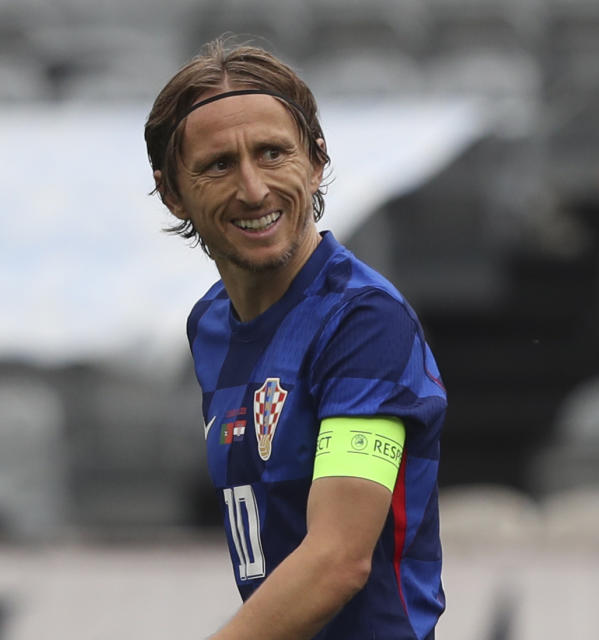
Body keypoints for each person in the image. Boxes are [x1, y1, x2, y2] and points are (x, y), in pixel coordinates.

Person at [144, 40, 446, 639]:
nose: (253, 190)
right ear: (173, 191)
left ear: (316, 162)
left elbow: (337, 562)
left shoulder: (364, 323)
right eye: (218, 165)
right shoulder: (209, 322)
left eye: (272, 153)